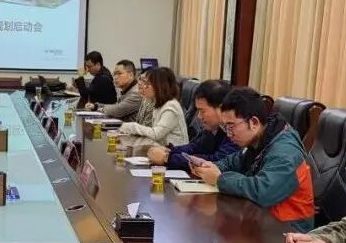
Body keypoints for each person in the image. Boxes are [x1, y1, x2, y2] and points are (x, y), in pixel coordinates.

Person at [190, 87, 314, 231]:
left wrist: (219, 179)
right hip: (260, 220)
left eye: (231, 127)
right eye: (225, 128)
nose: (228, 134)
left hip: (288, 231)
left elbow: (262, 192)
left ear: (254, 122)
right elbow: (234, 161)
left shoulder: (286, 153)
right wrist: (210, 167)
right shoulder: (260, 139)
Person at [147, 79, 240, 171]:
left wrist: (168, 158)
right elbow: (195, 147)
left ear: (221, 108)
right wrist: (169, 150)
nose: (199, 117)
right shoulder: (214, 128)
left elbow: (216, 161)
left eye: (202, 111)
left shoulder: (236, 132)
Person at [116, 66, 189, 147]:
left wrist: (132, 127)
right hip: (160, 149)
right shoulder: (158, 103)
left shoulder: (171, 106)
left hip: (175, 152)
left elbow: (156, 134)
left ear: (159, 87)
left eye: (148, 84)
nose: (144, 87)